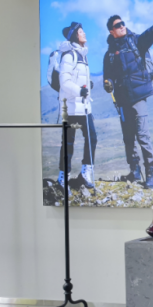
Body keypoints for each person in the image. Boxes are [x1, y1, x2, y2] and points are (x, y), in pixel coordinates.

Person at [102, 6, 153, 188]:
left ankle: (150, 173)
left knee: (143, 136)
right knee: (128, 137)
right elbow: (107, 76)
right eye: (117, 25)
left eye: (122, 23)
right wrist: (108, 84)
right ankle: (135, 171)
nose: (122, 26)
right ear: (112, 31)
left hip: (138, 97)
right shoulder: (109, 55)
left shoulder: (137, 42)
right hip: (122, 100)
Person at [56, 22, 98, 190]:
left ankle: (85, 173)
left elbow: (77, 79)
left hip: (84, 107)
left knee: (92, 138)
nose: (84, 33)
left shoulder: (83, 55)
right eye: (81, 31)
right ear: (75, 35)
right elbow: (64, 82)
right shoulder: (69, 56)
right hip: (71, 108)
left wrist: (88, 85)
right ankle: (63, 177)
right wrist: (80, 91)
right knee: (68, 143)